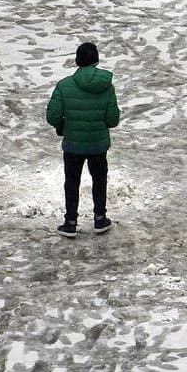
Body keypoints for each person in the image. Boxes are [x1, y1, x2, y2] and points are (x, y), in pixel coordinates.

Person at [46, 42, 121, 238]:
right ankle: (100, 218)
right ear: (96, 59)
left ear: (77, 60)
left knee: (71, 181)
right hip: (98, 144)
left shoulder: (64, 85)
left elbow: (52, 116)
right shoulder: (107, 87)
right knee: (99, 179)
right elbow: (113, 120)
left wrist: (63, 126)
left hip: (72, 144)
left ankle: (70, 222)